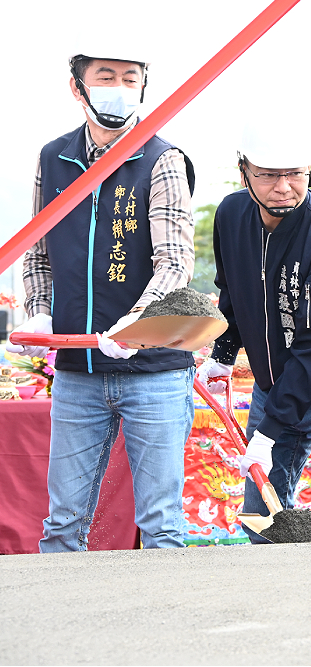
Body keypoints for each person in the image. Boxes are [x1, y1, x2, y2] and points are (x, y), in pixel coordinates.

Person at [5, 47, 197, 551]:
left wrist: (135, 326)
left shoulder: (162, 159)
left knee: (160, 523)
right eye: (105, 76)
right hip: (77, 371)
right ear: (78, 86)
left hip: (154, 368)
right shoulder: (54, 158)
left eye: (130, 78)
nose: (118, 86)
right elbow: (38, 250)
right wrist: (40, 311)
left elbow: (175, 263)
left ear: (143, 88)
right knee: (63, 520)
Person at [197, 124, 311, 542]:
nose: (283, 187)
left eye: (295, 174)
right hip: (274, 383)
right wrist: (223, 354)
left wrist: (266, 431)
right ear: (244, 171)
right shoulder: (230, 216)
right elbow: (232, 289)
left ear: (310, 171)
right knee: (259, 515)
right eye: (267, 174)